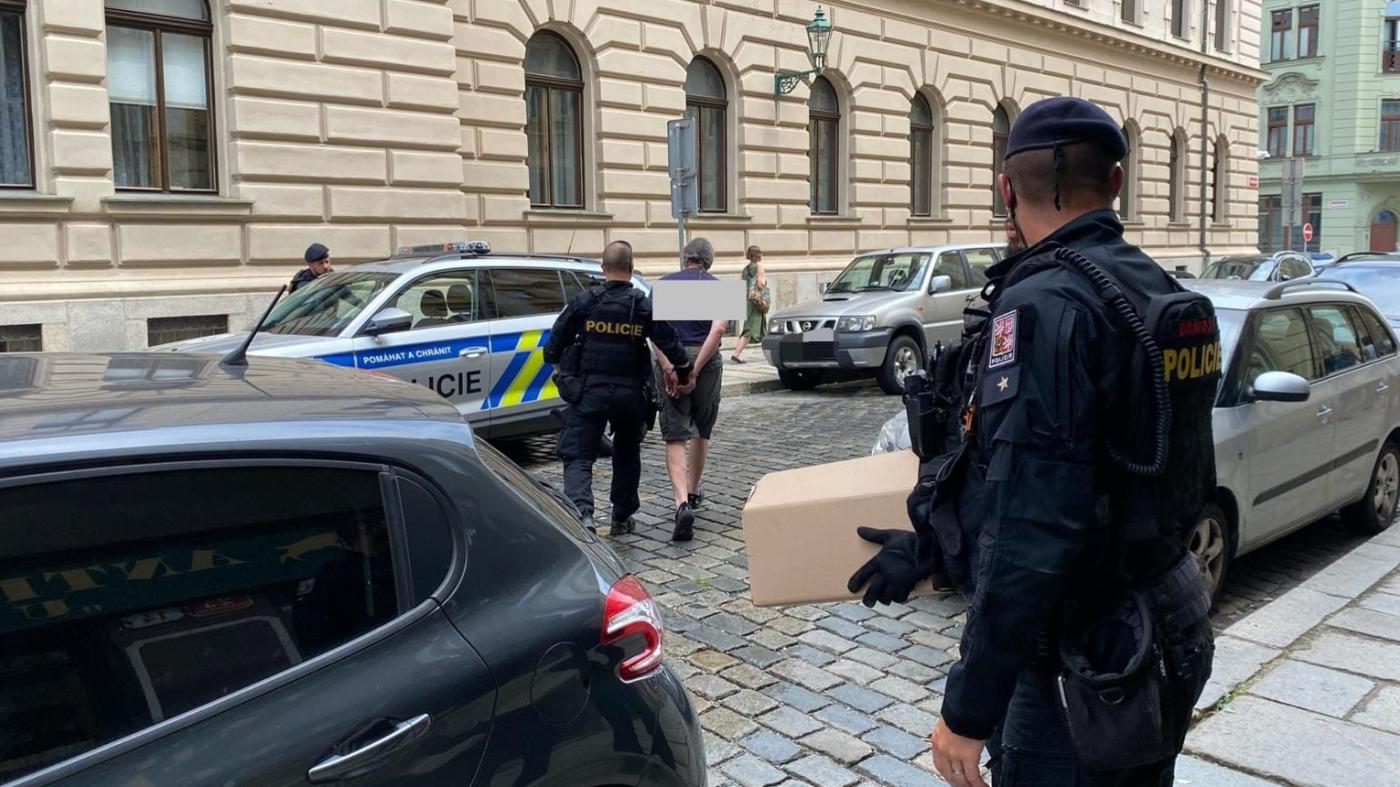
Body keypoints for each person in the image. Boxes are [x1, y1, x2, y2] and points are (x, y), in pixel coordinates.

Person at [848, 97, 1219, 787]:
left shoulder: (1045, 306)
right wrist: (939, 547)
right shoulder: (1152, 286)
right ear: (1116, 182)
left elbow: (1035, 524)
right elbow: (1108, 476)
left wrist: (968, 709)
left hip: (1083, 662)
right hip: (1166, 618)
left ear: (1006, 190)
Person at [543, 241, 691, 535]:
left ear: (603, 268)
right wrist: (684, 370)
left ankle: (582, 515)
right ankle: (621, 517)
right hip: (631, 396)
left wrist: (567, 368)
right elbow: (669, 341)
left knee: (577, 454)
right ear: (632, 268)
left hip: (589, 393)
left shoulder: (584, 302)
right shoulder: (643, 305)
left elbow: (552, 349)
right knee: (627, 453)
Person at [653, 237, 728, 542]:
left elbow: (654, 332)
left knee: (675, 432)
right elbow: (718, 329)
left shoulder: (664, 285)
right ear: (709, 261)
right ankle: (695, 491)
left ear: (685, 258)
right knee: (702, 427)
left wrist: (668, 366)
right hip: (706, 362)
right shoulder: (719, 288)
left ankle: (681, 502)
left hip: (671, 357)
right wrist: (694, 370)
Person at [731, 245, 767, 363]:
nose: (761, 255)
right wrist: (764, 285)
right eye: (759, 253)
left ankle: (768, 352)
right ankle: (736, 354)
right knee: (750, 329)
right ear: (756, 255)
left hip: (748, 301)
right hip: (756, 302)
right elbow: (761, 284)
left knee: (758, 328)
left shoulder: (745, 269)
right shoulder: (759, 267)